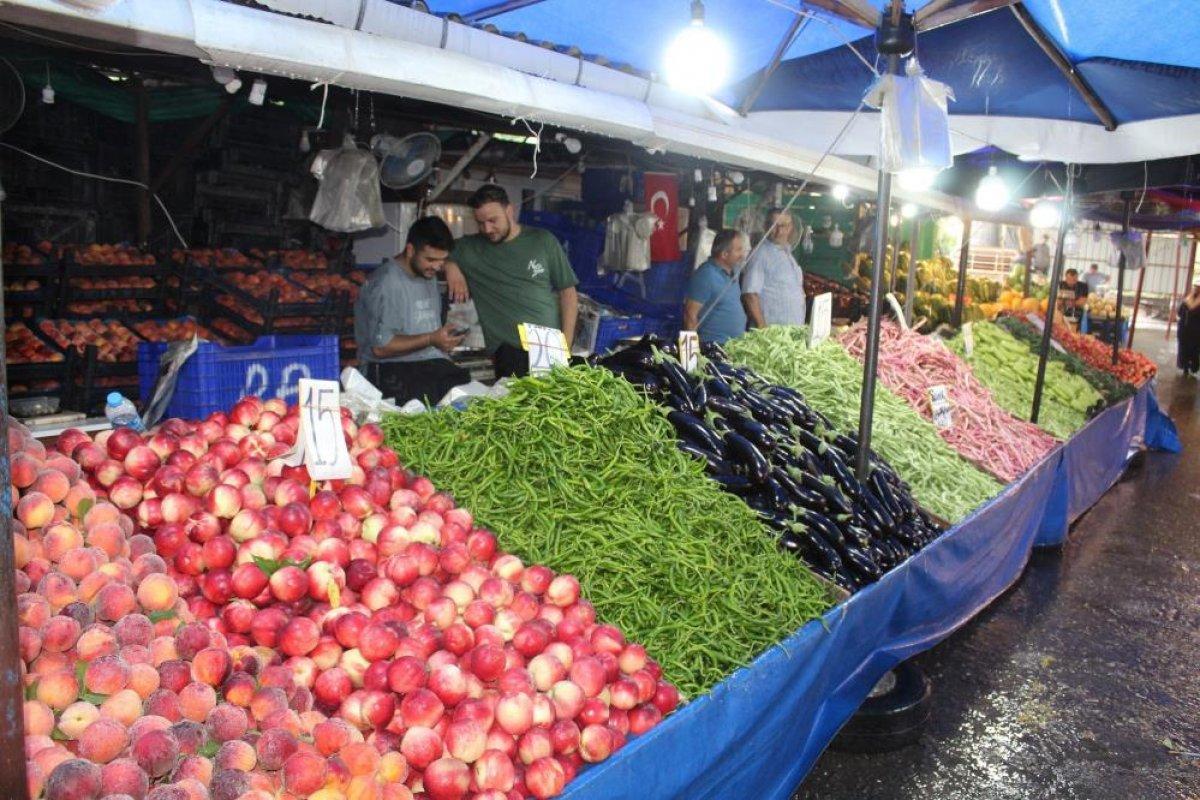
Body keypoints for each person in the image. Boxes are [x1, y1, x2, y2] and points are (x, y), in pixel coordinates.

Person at [444, 184, 578, 378]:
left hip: (550, 346)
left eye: (493, 220)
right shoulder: (469, 248)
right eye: (480, 223)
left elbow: (568, 292)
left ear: (510, 210)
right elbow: (436, 251)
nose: (487, 229)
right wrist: (451, 266)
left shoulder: (543, 241)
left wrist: (566, 344)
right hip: (509, 350)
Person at [354, 216, 471, 405]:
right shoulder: (386, 283)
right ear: (410, 250)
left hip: (430, 364)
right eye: (431, 259)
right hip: (388, 369)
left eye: (442, 261)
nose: (436, 266)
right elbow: (381, 348)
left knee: (466, 392)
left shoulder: (427, 273)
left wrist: (442, 339)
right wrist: (432, 339)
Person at [741, 208, 806, 328]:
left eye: (784, 226)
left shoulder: (787, 253)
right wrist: (763, 329)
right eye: (774, 225)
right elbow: (750, 294)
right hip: (771, 334)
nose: (779, 231)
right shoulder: (760, 254)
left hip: (790, 332)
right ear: (766, 227)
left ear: (790, 227)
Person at [683, 229, 749, 344]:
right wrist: (691, 357)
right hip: (713, 346)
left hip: (733, 346)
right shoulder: (706, 274)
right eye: (738, 250)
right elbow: (689, 314)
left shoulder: (733, 272)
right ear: (724, 254)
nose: (742, 255)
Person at [1177, 282, 1200, 376]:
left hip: (1194, 331)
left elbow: (1179, 312)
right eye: (1195, 287)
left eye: (1197, 288)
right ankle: (1186, 367)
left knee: (1192, 349)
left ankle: (1191, 367)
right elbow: (1179, 312)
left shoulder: (1187, 301)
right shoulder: (1186, 300)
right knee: (1185, 349)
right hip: (1186, 330)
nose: (1196, 289)